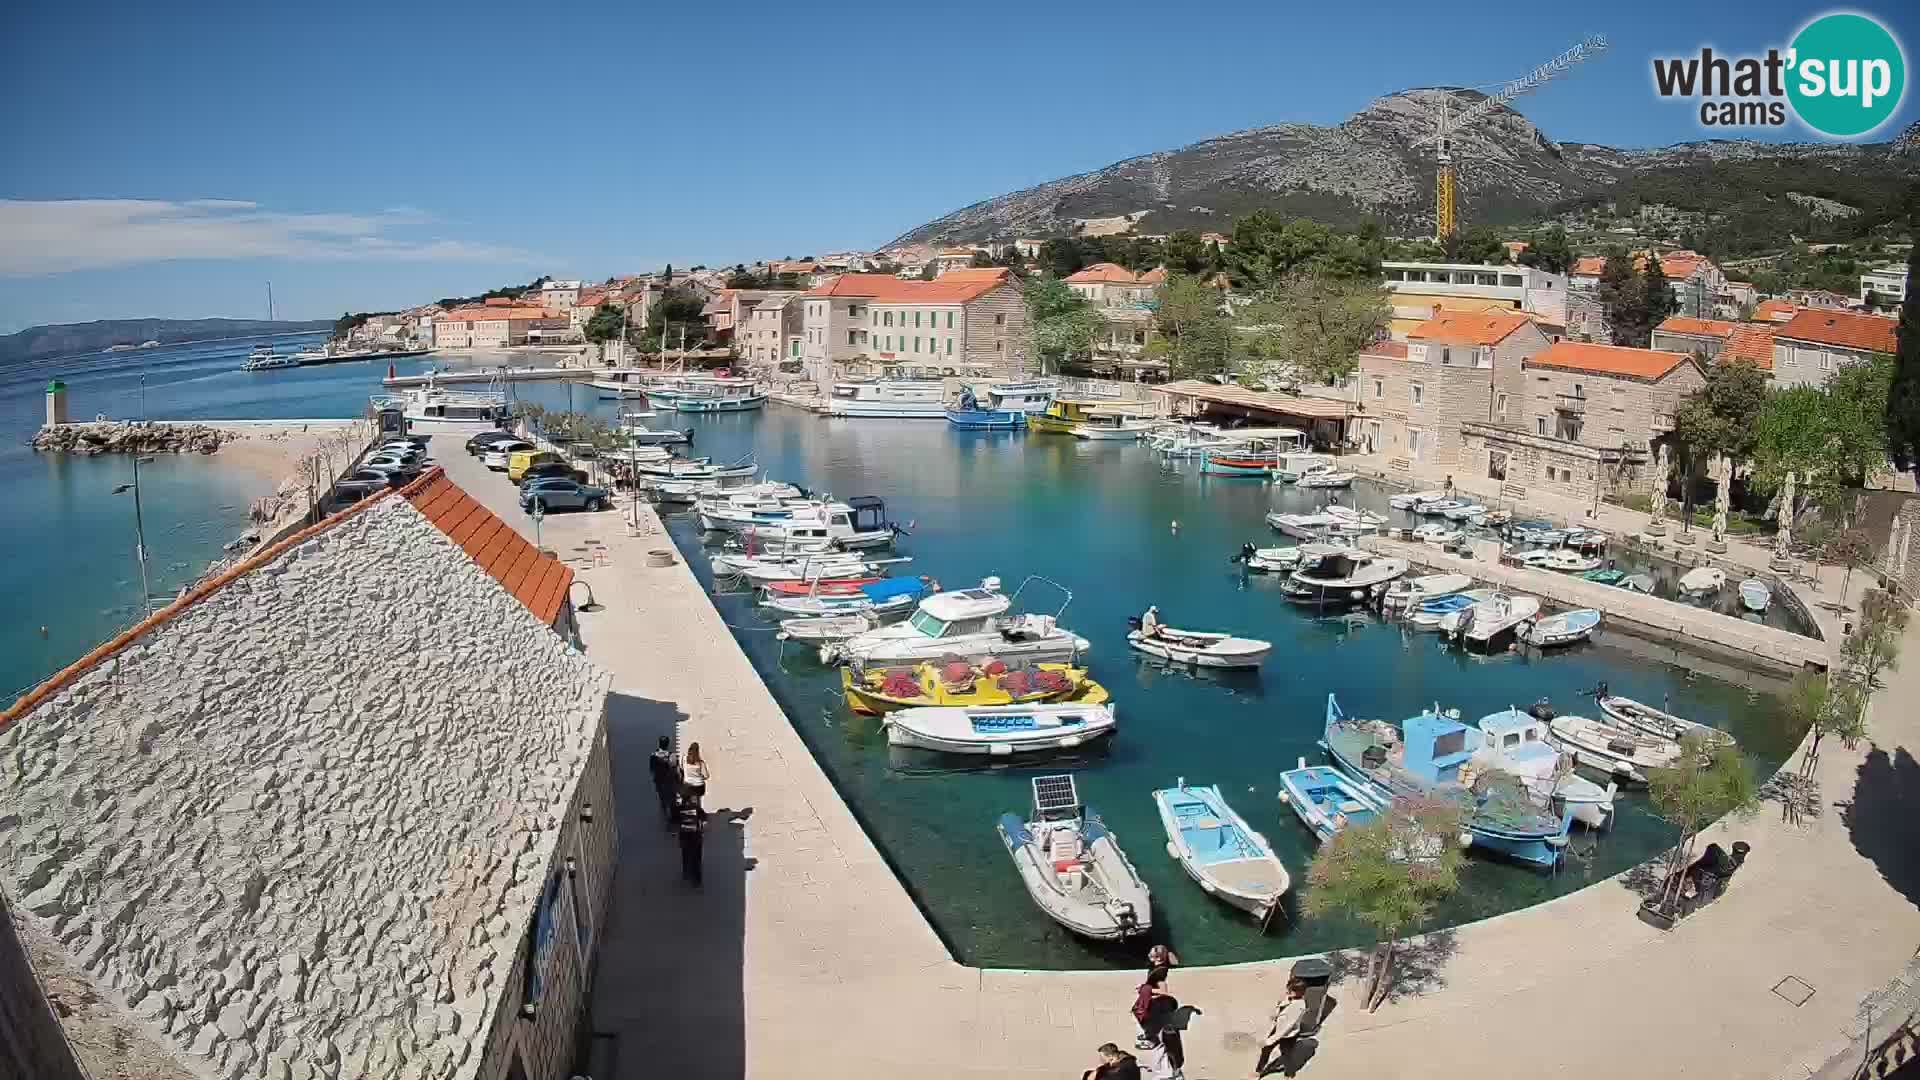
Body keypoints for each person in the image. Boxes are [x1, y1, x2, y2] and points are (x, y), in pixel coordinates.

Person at [1250, 978, 1309, 1079]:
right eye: (1288, 989)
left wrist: (1269, 1040)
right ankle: (1258, 1071)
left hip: (1289, 1035)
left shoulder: (1298, 1007)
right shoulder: (1290, 997)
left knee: (1286, 1055)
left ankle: (1289, 1073)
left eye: (1291, 991)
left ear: (1300, 992)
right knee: (1266, 1050)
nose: (1288, 992)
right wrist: (1278, 1011)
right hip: (1279, 1029)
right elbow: (1281, 1008)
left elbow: (1286, 1028)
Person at [674, 793, 705, 886]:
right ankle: (697, 879)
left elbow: (674, 822)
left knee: (686, 856)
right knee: (696, 859)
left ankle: (686, 873)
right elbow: (704, 818)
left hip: (685, 838)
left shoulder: (679, 809)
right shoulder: (696, 808)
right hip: (696, 837)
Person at [648, 736, 679, 827]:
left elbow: (652, 769)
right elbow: (675, 768)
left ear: (659, 744)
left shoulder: (653, 755)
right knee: (672, 798)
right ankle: (673, 819)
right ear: (667, 744)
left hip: (659, 780)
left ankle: (664, 811)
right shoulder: (672, 756)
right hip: (669, 781)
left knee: (662, 796)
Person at [682, 741, 712, 812]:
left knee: (687, 795)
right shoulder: (700, 762)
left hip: (688, 785)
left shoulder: (684, 758)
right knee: (698, 798)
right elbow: (707, 776)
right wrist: (701, 777)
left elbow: (682, 768)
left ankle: (688, 808)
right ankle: (699, 810)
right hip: (699, 787)